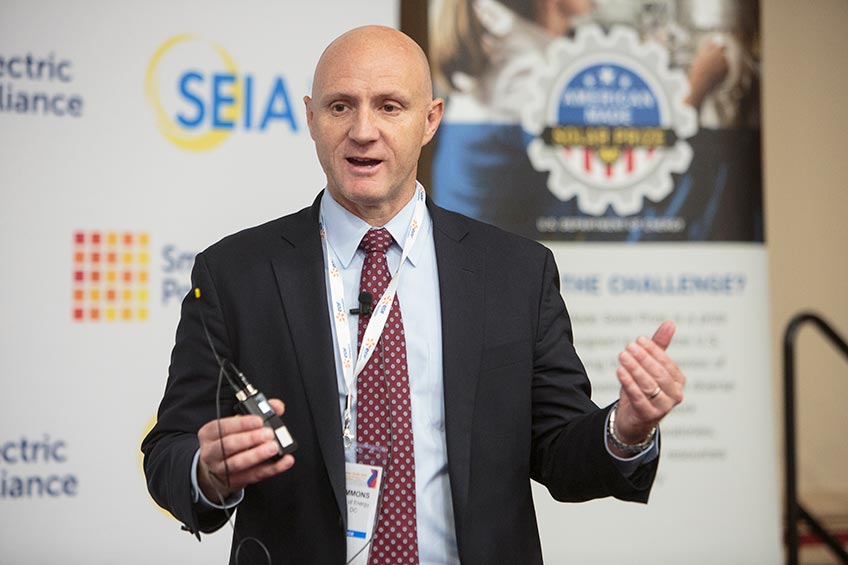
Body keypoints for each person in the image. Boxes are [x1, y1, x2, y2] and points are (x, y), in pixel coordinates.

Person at [142, 25, 685, 565]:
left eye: (389, 107)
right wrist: (206, 471)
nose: (362, 130)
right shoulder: (236, 273)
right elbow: (169, 452)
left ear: (430, 121)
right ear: (309, 118)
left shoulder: (516, 272)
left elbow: (561, 451)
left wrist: (627, 428)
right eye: (339, 107)